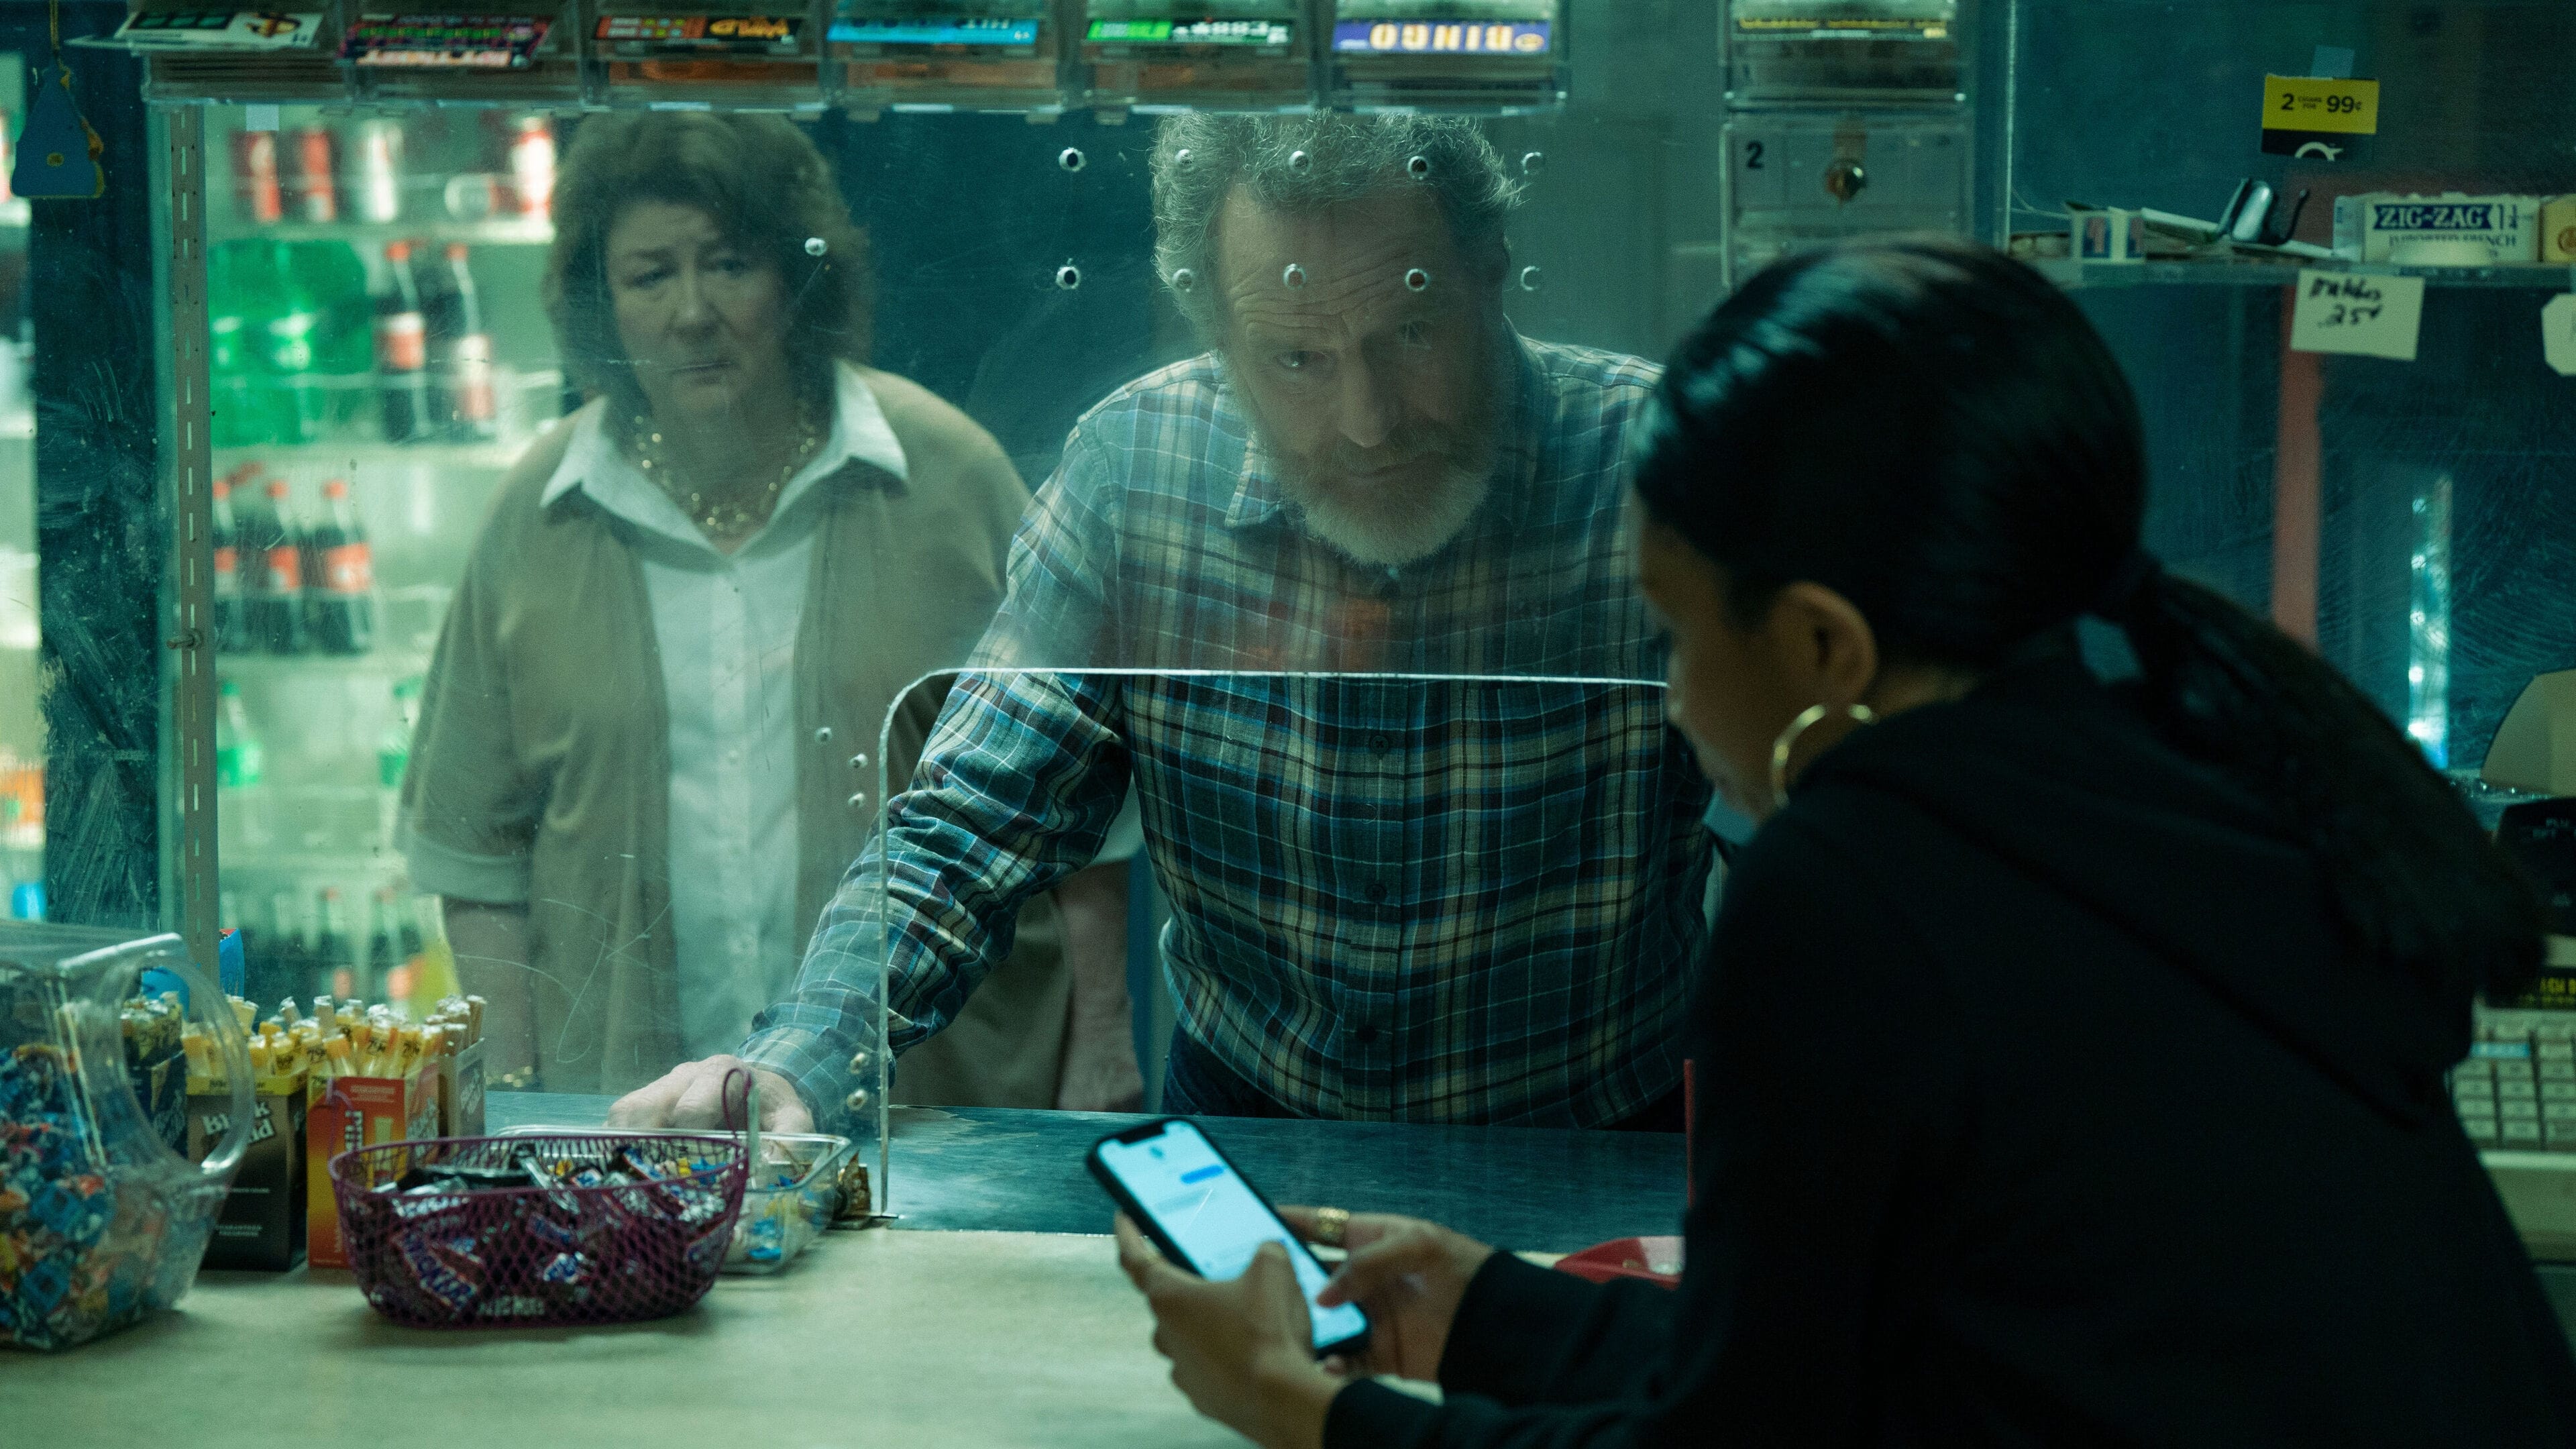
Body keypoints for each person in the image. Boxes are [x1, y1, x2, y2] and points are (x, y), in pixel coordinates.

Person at [1112, 237, 2576, 1446]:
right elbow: (1849, 1382)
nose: (1675, 697)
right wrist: (1488, 1311)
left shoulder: (1859, 890)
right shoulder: (2179, 778)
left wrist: (1304, 1411)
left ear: (1823, 647)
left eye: (1679, 634)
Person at [610, 113, 1715, 1133]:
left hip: (1597, 1135)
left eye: (1413, 331)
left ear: (1492, 274)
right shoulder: (1138, 468)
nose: (1368, 421)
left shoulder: (1656, 465)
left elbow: (1801, 831)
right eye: (1297, 359)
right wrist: (808, 1057)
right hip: (1252, 1126)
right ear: (1217, 331)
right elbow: (971, 819)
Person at [400, 111, 1139, 1108]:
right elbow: (476, 858)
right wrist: (515, 1092)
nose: (692, 312)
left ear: (798, 276)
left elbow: (1084, 808)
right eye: (649, 276)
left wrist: (1102, 1044)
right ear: (599, 304)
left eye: (729, 263)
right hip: (629, 1120)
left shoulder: (949, 477)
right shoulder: (535, 516)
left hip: (927, 1116)